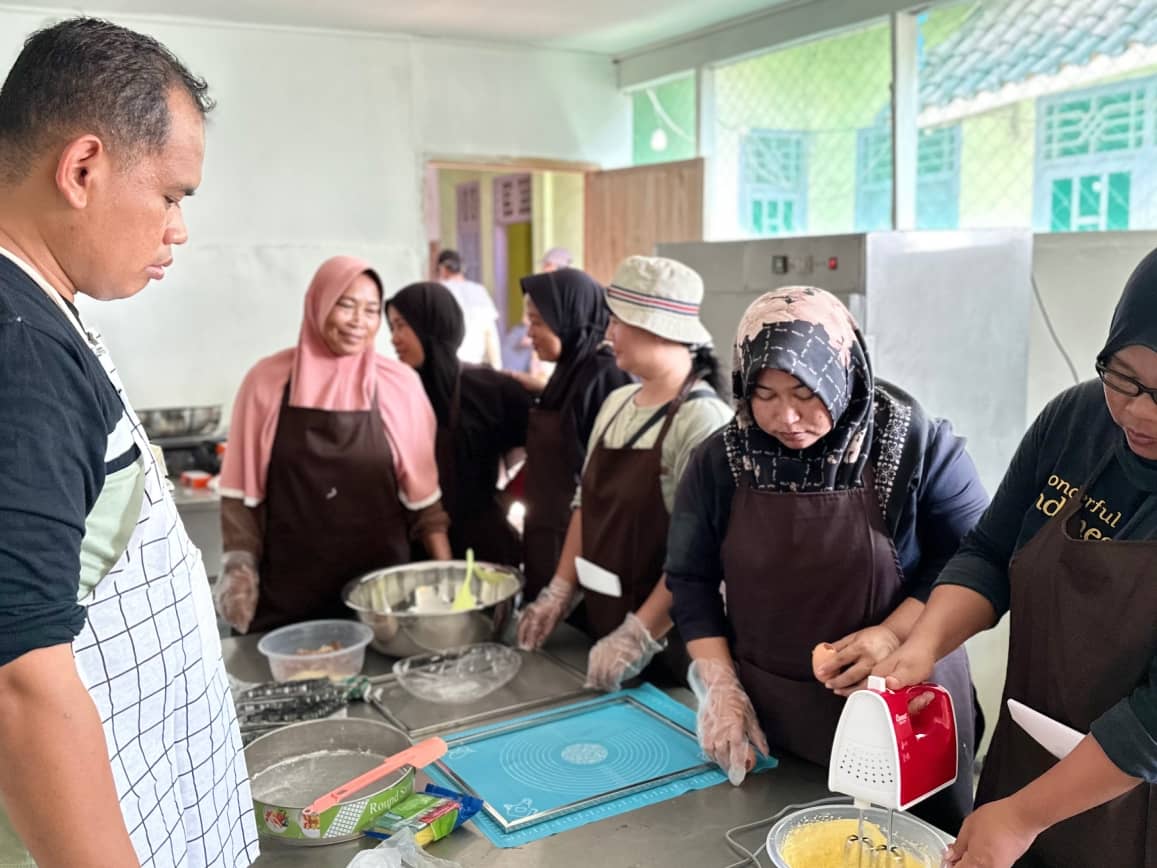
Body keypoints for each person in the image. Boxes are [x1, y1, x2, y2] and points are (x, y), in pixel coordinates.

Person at [0, 18, 258, 867]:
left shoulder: (42, 306)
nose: (177, 228)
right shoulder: (19, 347)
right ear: (82, 170)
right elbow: (19, 682)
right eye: (172, 194)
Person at [666, 287, 988, 833]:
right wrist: (721, 686)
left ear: (842, 371)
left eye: (804, 391)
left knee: (913, 844)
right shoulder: (721, 459)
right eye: (763, 395)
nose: (785, 417)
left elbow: (971, 558)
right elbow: (691, 580)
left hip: (901, 704)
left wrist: (890, 633)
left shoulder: (912, 444)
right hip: (775, 711)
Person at [874, 250, 1157, 867]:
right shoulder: (1075, 420)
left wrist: (1027, 816)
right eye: (1124, 379)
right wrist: (924, 647)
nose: (1140, 412)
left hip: (1134, 799)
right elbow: (989, 553)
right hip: (1023, 767)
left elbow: (1152, 723)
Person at [517, 257, 733, 691]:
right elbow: (585, 503)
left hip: (667, 645)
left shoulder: (703, 421)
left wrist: (638, 635)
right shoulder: (617, 402)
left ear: (657, 327)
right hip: (603, 622)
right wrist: (560, 589)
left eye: (618, 322)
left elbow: (700, 557)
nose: (609, 333)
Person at [214, 257, 450, 634]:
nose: (360, 321)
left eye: (372, 310)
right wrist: (238, 569)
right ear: (318, 304)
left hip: (381, 596)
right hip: (290, 590)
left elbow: (425, 505)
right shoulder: (266, 381)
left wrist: (447, 582)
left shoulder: (399, 385)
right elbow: (240, 496)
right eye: (346, 304)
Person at [387, 281, 532, 566]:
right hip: (415, 544)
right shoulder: (396, 392)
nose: (394, 338)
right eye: (391, 327)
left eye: (402, 325)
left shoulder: (490, 387)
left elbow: (545, 451)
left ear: (432, 324)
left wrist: (508, 495)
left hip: (482, 544)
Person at [518, 267, 632, 601]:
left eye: (538, 322)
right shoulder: (567, 372)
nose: (529, 334)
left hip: (583, 547)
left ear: (570, 317)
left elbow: (613, 479)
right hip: (545, 534)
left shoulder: (605, 375)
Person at [435, 249, 502, 368]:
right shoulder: (479, 291)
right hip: (474, 364)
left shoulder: (437, 291)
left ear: (442, 269)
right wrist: (497, 367)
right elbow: (490, 334)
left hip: (446, 366)